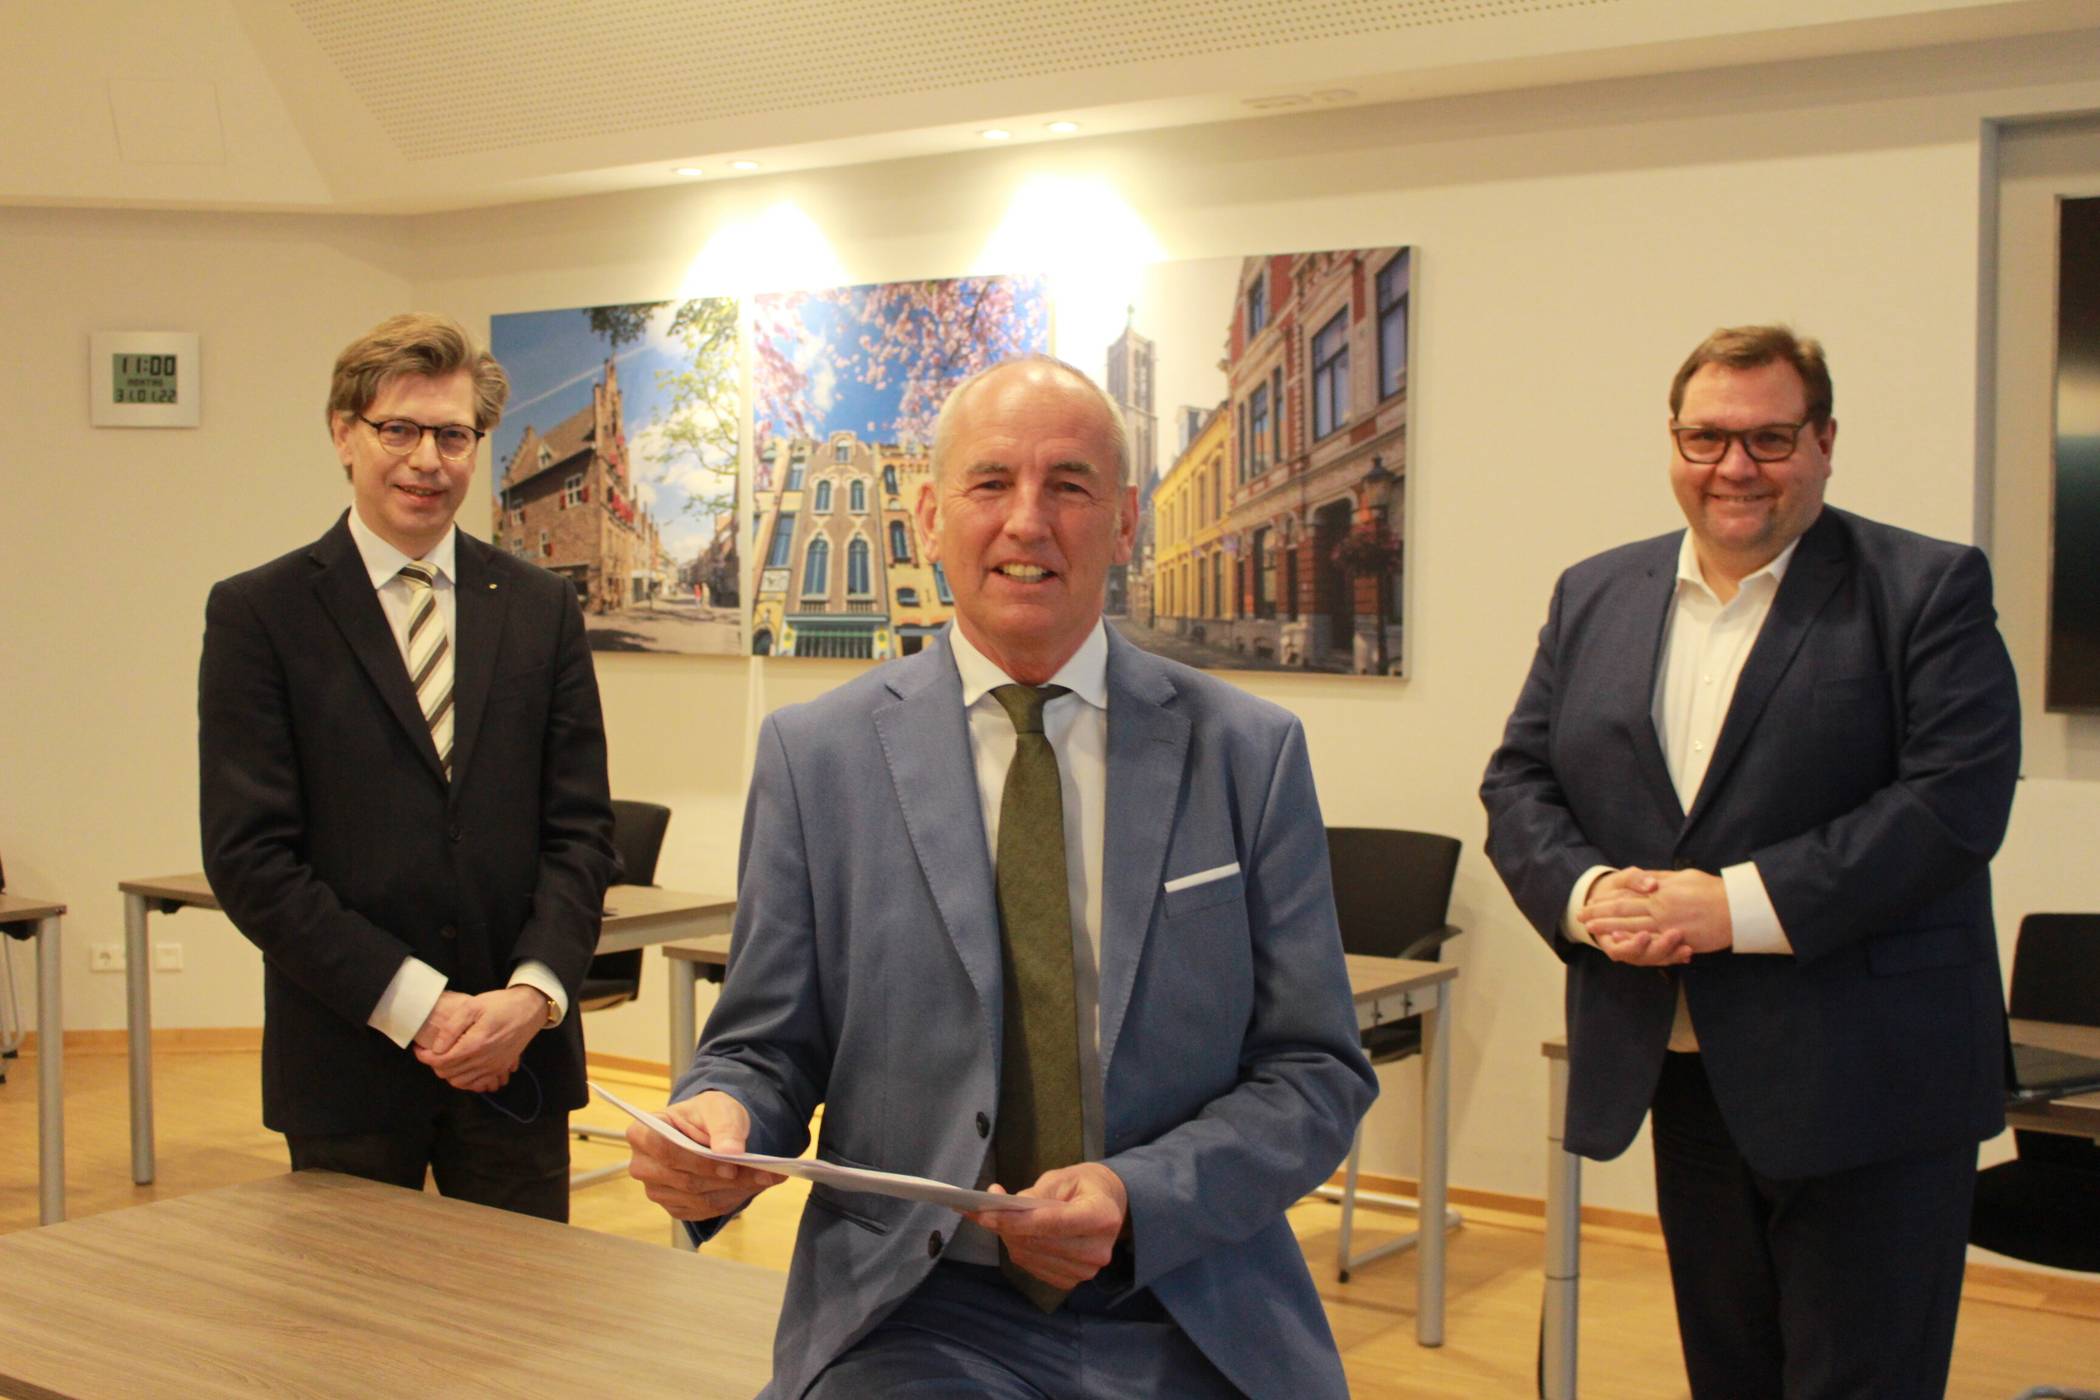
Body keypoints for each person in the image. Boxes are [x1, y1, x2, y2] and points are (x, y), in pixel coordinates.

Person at [627, 355, 1375, 1399]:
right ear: (931, 517)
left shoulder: (1248, 752)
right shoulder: (817, 757)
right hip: (918, 1304)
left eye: (1068, 485)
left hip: (1187, 1292)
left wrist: (1137, 1195)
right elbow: (766, 1046)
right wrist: (722, 1121)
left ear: (1125, 520)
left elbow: (1316, 1070)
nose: (1028, 520)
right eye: (990, 483)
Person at [1481, 325, 2021, 1397]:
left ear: (1824, 442)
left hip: (1872, 1077)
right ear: (1674, 441)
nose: (1735, 466)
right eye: (1708, 437)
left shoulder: (1926, 586)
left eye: (1769, 438)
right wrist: (1590, 895)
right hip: (1684, 1062)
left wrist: (1730, 905)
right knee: (1729, 1374)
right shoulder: (1596, 592)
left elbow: (1951, 805)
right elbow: (1520, 780)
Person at [200, 312, 618, 1222]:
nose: (428, 460)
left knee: (520, 1308)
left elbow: (582, 831)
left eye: (453, 436)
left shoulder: (542, 608)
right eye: (399, 430)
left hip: (517, 1060)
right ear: (343, 434)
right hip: (348, 1061)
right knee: (348, 1314)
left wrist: (532, 996)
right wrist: (420, 1006)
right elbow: (251, 859)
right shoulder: (261, 614)